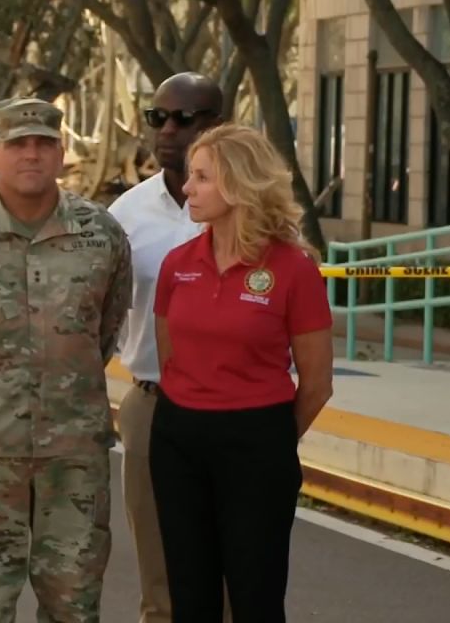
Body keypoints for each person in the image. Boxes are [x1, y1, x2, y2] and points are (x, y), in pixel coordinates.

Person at [0, 97, 133, 623]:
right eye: (18, 144)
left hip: (73, 459)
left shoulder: (101, 234)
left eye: (44, 144)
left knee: (74, 608)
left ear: (61, 155)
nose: (31, 155)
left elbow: (105, 328)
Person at [150, 124, 333, 623]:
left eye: (202, 177)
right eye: (191, 176)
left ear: (240, 184)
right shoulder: (176, 264)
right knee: (190, 595)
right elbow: (172, 356)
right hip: (178, 439)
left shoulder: (294, 269)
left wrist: (269, 442)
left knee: (256, 596)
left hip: (257, 442)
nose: (187, 188)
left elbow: (317, 382)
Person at [107, 72, 222, 623]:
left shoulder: (253, 218)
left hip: (234, 409)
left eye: (185, 118)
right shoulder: (123, 219)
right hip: (153, 407)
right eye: (158, 117)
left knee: (235, 579)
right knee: (161, 582)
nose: (168, 130)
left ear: (216, 126)